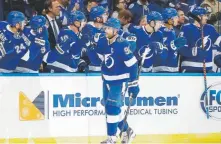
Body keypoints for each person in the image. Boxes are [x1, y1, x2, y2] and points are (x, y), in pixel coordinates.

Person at [97, 18, 138, 144]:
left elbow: (133, 64)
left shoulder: (122, 44)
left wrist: (133, 84)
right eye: (106, 27)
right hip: (106, 80)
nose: (106, 30)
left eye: (108, 28)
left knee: (112, 109)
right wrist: (90, 48)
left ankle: (111, 138)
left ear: (116, 30)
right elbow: (97, 60)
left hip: (119, 82)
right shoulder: (103, 41)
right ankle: (127, 131)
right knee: (110, 109)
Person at [179, 6, 221, 72]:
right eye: (205, 15)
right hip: (190, 68)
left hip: (207, 69)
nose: (207, 18)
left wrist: (218, 54)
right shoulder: (186, 28)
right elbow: (180, 48)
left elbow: (219, 41)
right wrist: (193, 51)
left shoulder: (210, 28)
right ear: (198, 16)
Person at [153, 8, 186, 73]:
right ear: (170, 19)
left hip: (169, 66)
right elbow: (161, 49)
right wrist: (174, 45)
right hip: (164, 67)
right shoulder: (164, 31)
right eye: (176, 17)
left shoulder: (170, 30)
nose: (177, 19)